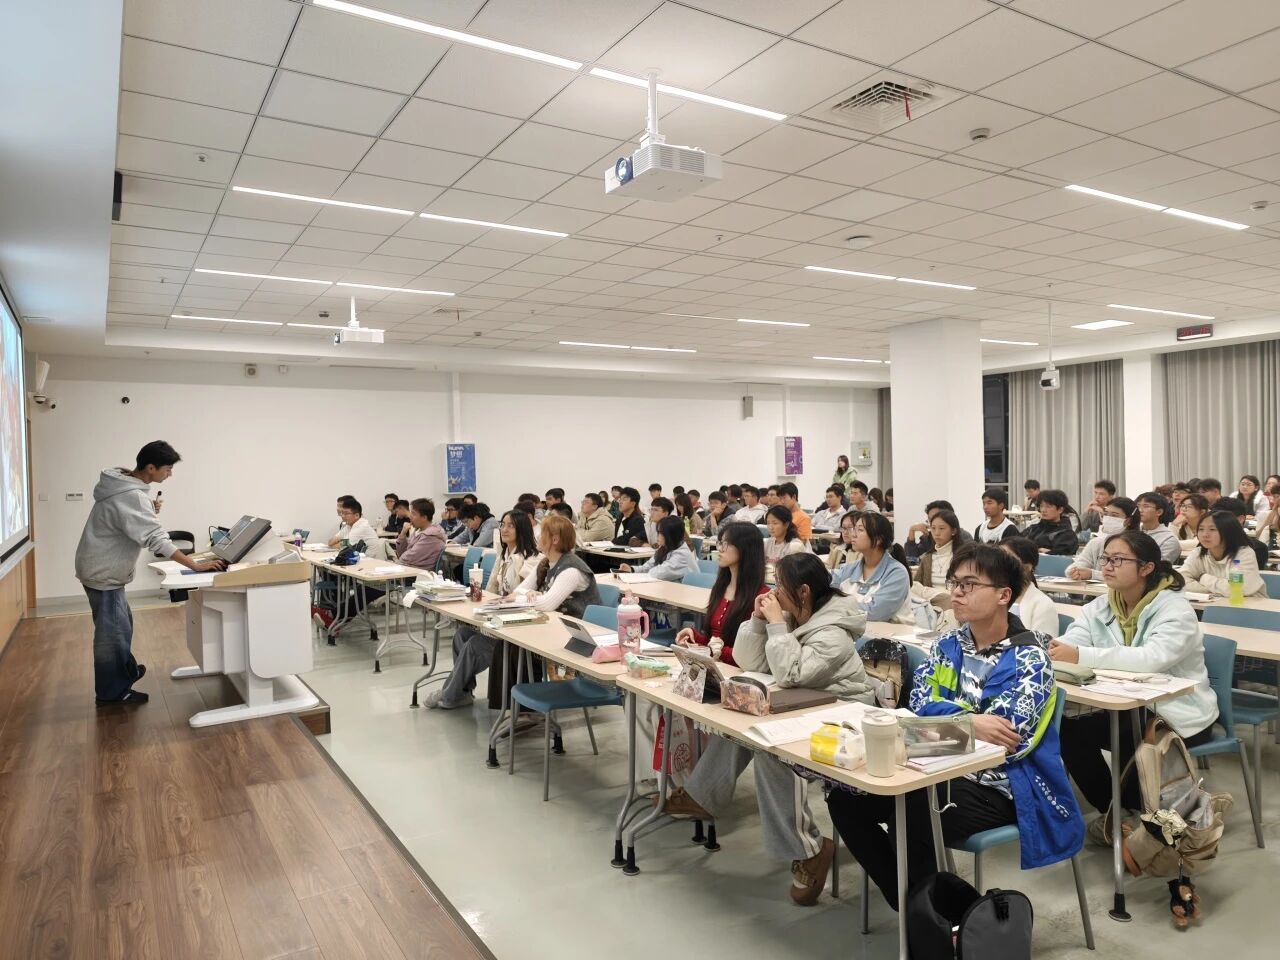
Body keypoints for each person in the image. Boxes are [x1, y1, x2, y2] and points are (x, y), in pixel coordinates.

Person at [829, 543, 1082, 910]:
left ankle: (932, 916)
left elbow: (1004, 741)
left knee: (914, 810)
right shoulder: (949, 643)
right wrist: (971, 721)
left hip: (1000, 784)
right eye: (955, 583)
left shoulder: (1030, 659)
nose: (957, 593)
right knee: (844, 798)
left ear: (1003, 595)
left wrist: (942, 724)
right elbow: (919, 700)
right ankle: (932, 911)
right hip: (931, 764)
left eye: (969, 585)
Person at [665, 553, 873, 905]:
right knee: (742, 722)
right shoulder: (795, 615)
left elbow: (791, 674)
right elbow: (752, 661)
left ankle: (809, 849)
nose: (774, 593)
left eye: (782, 587)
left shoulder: (834, 633)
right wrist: (758, 622)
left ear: (804, 591)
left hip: (844, 716)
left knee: (772, 753)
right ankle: (703, 794)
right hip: (806, 705)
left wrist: (776, 624)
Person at [1050, 530, 1218, 817]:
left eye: (1117, 560)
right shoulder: (1103, 604)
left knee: (1130, 733)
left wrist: (1080, 655)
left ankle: (1139, 817)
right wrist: (1059, 649)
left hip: (1179, 713)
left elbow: (1150, 659)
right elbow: (1073, 640)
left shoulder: (1174, 609)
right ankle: (1115, 813)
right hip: (1124, 705)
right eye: (1105, 559)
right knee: (1067, 729)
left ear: (1146, 567)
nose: (1107, 566)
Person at [75, 441, 226, 705]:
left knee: (122, 626)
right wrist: (194, 565)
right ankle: (112, 693)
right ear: (151, 468)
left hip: (99, 567)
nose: (170, 474)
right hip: (102, 571)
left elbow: (127, 521)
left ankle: (126, 673)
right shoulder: (131, 496)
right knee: (112, 636)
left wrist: (147, 510)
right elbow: (156, 538)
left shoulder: (124, 486)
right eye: (167, 469)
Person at [424, 510, 540, 709]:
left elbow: (521, 594)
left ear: (522, 529)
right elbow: (491, 590)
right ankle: (463, 693)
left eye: (510, 525)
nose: (504, 529)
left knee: (474, 644)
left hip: (517, 627)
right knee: (461, 635)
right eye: (502, 524)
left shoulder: (532, 559)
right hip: (498, 618)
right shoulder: (504, 555)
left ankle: (449, 694)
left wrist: (498, 603)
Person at [674, 522, 769, 665]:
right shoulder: (721, 587)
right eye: (720, 543)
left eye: (725, 544)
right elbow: (714, 642)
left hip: (738, 672)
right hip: (716, 666)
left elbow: (750, 656)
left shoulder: (761, 597)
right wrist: (695, 637)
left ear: (745, 548)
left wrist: (714, 650)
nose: (719, 549)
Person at [512, 514, 602, 617]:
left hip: (580, 624)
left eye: (542, 533)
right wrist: (528, 593)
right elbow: (517, 590)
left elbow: (546, 604)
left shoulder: (571, 569)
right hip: (557, 621)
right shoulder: (545, 563)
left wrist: (517, 599)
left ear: (555, 540)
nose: (538, 536)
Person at [831, 512, 912, 623]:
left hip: (891, 632)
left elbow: (875, 612)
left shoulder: (897, 573)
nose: (853, 535)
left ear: (878, 539)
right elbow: (825, 580)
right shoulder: (850, 569)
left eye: (860, 530)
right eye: (854, 529)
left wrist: (835, 606)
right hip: (857, 630)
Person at [1179, 511, 1267, 598]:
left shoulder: (1244, 554)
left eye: (1212, 529)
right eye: (1201, 529)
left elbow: (1237, 589)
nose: (1205, 534)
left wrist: (1203, 578)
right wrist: (1215, 592)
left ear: (1228, 532)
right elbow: (1179, 581)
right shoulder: (1198, 553)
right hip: (1212, 604)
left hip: (1249, 604)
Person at [1000, 536, 1059, 636]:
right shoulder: (989, 595)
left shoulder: (1043, 605)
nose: (998, 564)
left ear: (1027, 567)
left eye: (1006, 559)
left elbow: (1043, 643)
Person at [1067, 497, 1136, 579]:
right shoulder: (1096, 543)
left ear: (1128, 521)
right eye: (1106, 514)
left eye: (1114, 515)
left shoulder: (1136, 544)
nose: (1108, 518)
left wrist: (1093, 574)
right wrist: (1075, 572)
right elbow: (1073, 568)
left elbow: (1129, 576)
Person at [619, 516, 698, 582]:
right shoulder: (664, 548)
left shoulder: (682, 554)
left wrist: (640, 574)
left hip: (685, 593)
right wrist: (632, 569)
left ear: (670, 535)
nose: (657, 535)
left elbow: (659, 573)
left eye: (660, 533)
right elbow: (648, 566)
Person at [913, 509, 961, 594]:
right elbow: (915, 585)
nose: (936, 533)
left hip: (954, 599)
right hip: (929, 600)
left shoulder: (963, 557)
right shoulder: (927, 558)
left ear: (954, 531)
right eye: (933, 528)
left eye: (941, 528)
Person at [1022, 489, 1078, 555]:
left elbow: (1061, 555)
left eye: (1048, 506)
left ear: (1060, 510)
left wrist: (1049, 552)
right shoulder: (1033, 528)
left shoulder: (1067, 534)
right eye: (1041, 506)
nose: (1043, 510)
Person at [396, 498, 447, 569]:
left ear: (424, 517)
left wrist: (396, 562)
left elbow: (407, 558)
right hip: (409, 569)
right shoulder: (418, 531)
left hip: (419, 573)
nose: (410, 516)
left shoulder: (430, 536)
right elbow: (401, 553)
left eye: (413, 514)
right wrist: (402, 534)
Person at [1133, 491, 1181, 564]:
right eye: (1138, 506)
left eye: (1146, 506)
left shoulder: (1168, 539)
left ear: (1159, 512)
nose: (1140, 510)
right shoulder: (1132, 532)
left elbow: (1160, 566)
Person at [1253, 482, 1280, 548]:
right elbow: (1262, 530)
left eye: (1277, 496)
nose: (1274, 500)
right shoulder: (1274, 511)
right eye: (1274, 497)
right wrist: (1274, 511)